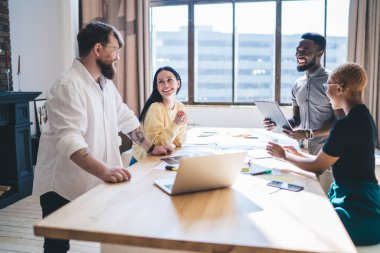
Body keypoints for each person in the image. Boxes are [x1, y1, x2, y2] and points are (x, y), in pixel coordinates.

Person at [33, 21, 173, 253]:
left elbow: (125, 117)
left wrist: (150, 147)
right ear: (98, 49)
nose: (118, 57)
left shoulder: (105, 84)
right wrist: (105, 171)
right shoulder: (66, 86)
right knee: (57, 245)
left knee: (116, 230)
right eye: (115, 49)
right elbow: (70, 140)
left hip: (94, 176)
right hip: (61, 184)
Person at [266, 62, 380, 246]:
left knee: (296, 223)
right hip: (368, 202)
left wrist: (284, 156)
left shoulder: (344, 125)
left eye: (328, 86)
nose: (326, 92)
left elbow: (318, 167)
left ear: (341, 89)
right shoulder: (364, 118)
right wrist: (297, 153)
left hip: (356, 211)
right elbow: (325, 160)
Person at [264, 33, 345, 192]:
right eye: (298, 49)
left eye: (305, 49)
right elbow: (297, 119)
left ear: (320, 53)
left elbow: (341, 123)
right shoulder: (297, 84)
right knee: (307, 195)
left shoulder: (332, 82)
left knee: (326, 200)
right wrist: (279, 123)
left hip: (327, 153)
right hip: (301, 151)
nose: (299, 53)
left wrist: (309, 134)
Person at [130, 66, 188, 165]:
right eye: (161, 82)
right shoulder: (155, 107)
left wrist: (179, 125)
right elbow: (158, 145)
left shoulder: (180, 106)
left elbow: (178, 142)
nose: (166, 85)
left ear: (178, 83)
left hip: (159, 158)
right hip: (144, 160)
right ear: (157, 87)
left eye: (169, 80)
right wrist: (175, 123)